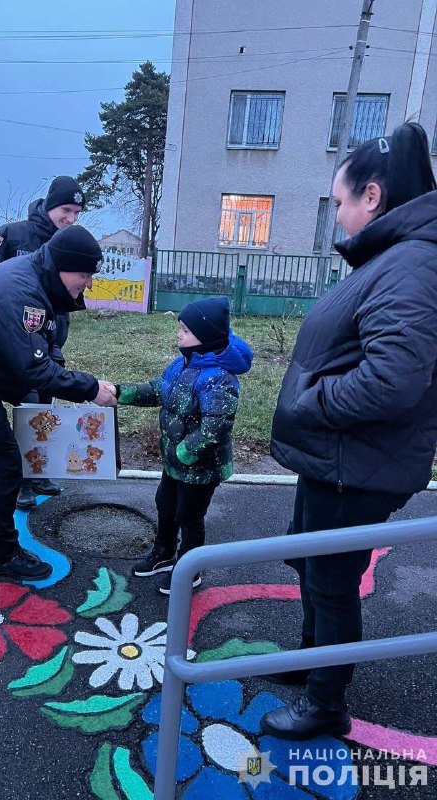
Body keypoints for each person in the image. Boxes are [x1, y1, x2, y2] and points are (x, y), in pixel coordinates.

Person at [262, 122, 437, 740]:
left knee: (332, 580)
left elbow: (394, 379)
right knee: (309, 562)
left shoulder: (412, 263)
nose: (336, 217)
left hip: (356, 459)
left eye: (338, 203)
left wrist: (312, 400)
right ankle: (311, 662)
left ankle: (325, 704)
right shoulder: (397, 256)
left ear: (373, 196)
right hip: (337, 455)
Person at [0, 225, 117, 581]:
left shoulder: (34, 277)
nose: (89, 283)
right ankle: (3, 553)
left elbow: (41, 349)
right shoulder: (20, 290)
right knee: (2, 466)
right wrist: (90, 389)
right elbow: (33, 367)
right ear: (63, 265)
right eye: (85, 274)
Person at [115, 297, 253, 595]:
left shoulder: (219, 378)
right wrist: (119, 392)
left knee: (189, 517)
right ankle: (164, 552)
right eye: (180, 328)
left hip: (201, 467)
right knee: (165, 505)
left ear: (207, 336)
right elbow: (156, 390)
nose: (179, 335)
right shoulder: (182, 364)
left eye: (186, 330)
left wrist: (183, 454)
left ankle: (190, 570)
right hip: (174, 462)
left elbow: (215, 426)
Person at [0, 175, 85, 505]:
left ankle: (36, 472)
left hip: (50, 342)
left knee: (42, 409)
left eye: (77, 212)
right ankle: (19, 480)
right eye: (66, 209)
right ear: (49, 204)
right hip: (12, 344)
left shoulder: (68, 243)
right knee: (24, 406)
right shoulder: (12, 234)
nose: (71, 218)